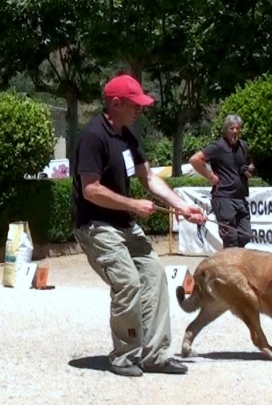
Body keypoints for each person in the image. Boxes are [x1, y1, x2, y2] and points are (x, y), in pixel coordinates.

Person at [71, 73, 206, 377]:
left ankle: (155, 355)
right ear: (116, 103)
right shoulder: (94, 136)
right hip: (96, 226)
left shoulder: (128, 136)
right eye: (136, 105)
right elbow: (90, 189)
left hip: (124, 225)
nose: (140, 111)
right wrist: (133, 204)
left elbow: (148, 178)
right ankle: (123, 356)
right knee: (128, 283)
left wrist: (181, 206)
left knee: (155, 274)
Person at [189, 114, 255, 248]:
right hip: (224, 197)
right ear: (225, 130)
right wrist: (210, 176)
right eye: (231, 128)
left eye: (237, 128)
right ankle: (230, 266)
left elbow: (250, 164)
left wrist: (250, 169)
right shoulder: (218, 146)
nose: (235, 131)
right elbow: (195, 159)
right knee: (230, 238)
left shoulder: (244, 146)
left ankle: (236, 262)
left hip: (240, 197)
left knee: (245, 235)